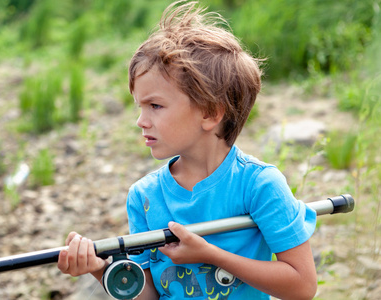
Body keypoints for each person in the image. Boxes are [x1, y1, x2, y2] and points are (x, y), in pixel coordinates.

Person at [58, 1, 318, 299]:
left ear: (210, 113)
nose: (141, 121)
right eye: (140, 106)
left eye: (155, 105)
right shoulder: (144, 197)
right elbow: (150, 295)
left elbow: (302, 286)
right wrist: (100, 269)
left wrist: (210, 254)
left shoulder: (259, 185)